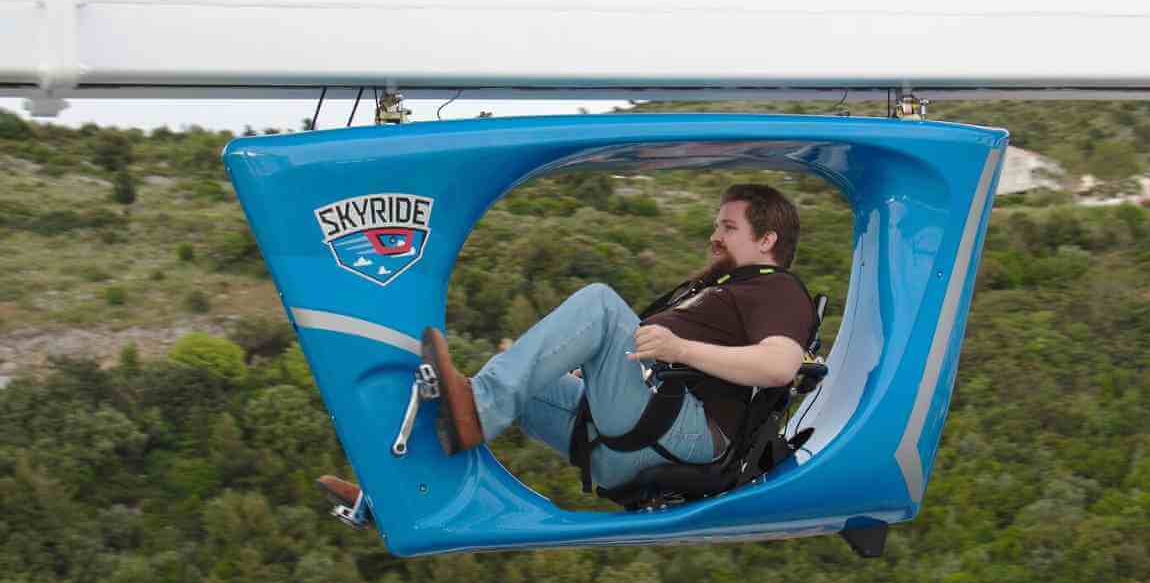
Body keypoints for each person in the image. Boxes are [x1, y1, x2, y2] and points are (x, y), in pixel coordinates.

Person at [318, 183, 815, 515]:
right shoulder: (718, 290)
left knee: (599, 304)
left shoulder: (775, 289)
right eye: (716, 225)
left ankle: (478, 409)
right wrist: (567, 368)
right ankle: (399, 496)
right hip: (635, 432)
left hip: (685, 436)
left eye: (728, 227)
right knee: (503, 378)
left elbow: (778, 365)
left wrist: (678, 346)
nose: (714, 236)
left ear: (768, 238)